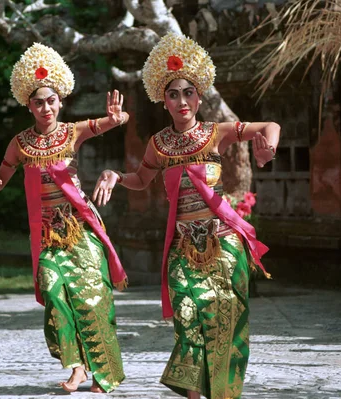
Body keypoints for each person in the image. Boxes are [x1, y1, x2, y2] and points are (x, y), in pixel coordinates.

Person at [92, 33, 281, 399]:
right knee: (187, 317)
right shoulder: (158, 143)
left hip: (222, 244)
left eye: (188, 92)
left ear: (200, 96)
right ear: (163, 100)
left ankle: (222, 394)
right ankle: (194, 394)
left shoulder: (216, 134)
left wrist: (268, 147)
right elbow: (142, 178)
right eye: (173, 94)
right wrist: (115, 175)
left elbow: (268, 125)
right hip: (182, 247)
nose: (182, 101)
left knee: (224, 319)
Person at [0, 43, 128, 394]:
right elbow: (2, 182)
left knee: (92, 298)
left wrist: (117, 117)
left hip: (79, 228)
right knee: (54, 294)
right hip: (48, 235)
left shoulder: (73, 131)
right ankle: (76, 367)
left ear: (60, 101)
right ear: (28, 105)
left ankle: (103, 374)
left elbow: (113, 123)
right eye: (38, 102)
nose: (46, 107)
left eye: (51, 100)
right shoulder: (20, 143)